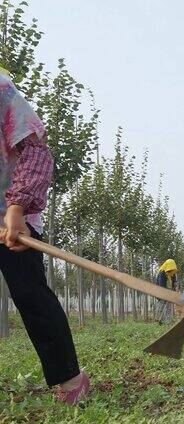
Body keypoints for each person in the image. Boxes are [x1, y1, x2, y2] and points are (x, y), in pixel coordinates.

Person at [0, 69, 90, 405]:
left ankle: (71, 381)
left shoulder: (2, 91)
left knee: (30, 295)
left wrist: (17, 206)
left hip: (14, 217)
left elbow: (35, 152)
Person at [155, 259, 178, 324]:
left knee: (168, 308)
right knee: (161, 306)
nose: (171, 271)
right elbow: (161, 285)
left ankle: (168, 322)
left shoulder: (173, 274)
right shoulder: (161, 273)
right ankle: (159, 321)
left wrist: (174, 290)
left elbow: (174, 283)